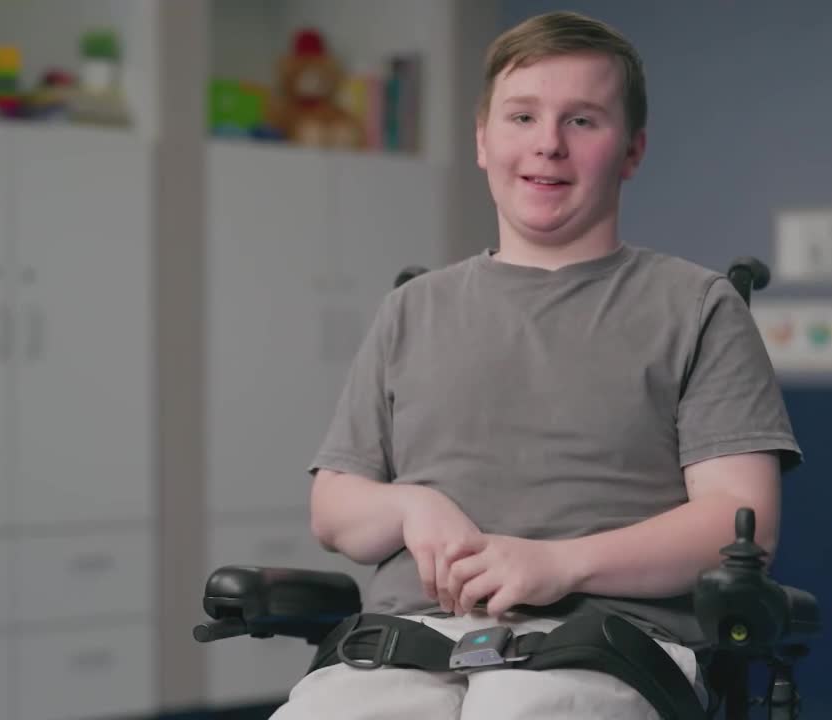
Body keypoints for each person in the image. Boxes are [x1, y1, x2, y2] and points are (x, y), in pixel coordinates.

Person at [272, 10, 802, 720]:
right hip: (406, 642)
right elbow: (335, 509)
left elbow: (742, 526)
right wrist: (410, 505)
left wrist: (558, 564)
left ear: (633, 150)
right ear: (483, 141)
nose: (547, 144)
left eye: (582, 121)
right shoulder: (414, 309)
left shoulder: (696, 307)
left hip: (604, 644)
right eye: (522, 117)